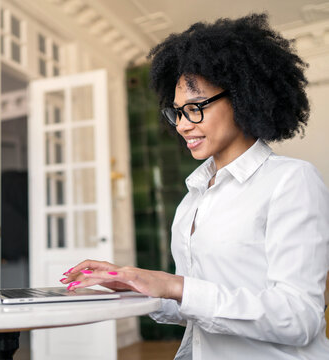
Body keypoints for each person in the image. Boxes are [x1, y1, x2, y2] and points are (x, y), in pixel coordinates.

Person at [60, 13, 329, 359]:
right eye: (177, 113)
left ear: (243, 96)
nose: (184, 125)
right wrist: (134, 285)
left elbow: (299, 317)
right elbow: (193, 305)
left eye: (195, 108)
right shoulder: (195, 196)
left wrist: (175, 285)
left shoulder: (291, 181)